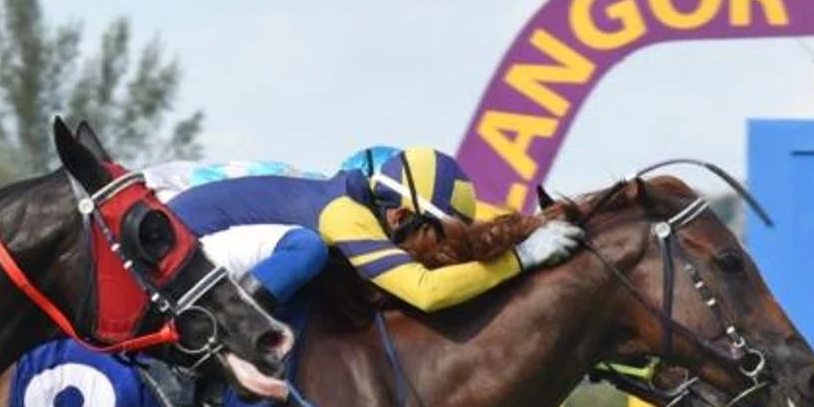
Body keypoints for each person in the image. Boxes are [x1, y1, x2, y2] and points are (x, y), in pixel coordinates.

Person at [153, 145, 579, 315]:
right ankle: (221, 333)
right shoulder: (344, 214)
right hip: (177, 251)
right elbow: (426, 291)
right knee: (306, 249)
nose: (434, 250)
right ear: (400, 214)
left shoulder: (355, 202)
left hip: (197, 241)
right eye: (434, 236)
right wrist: (521, 258)